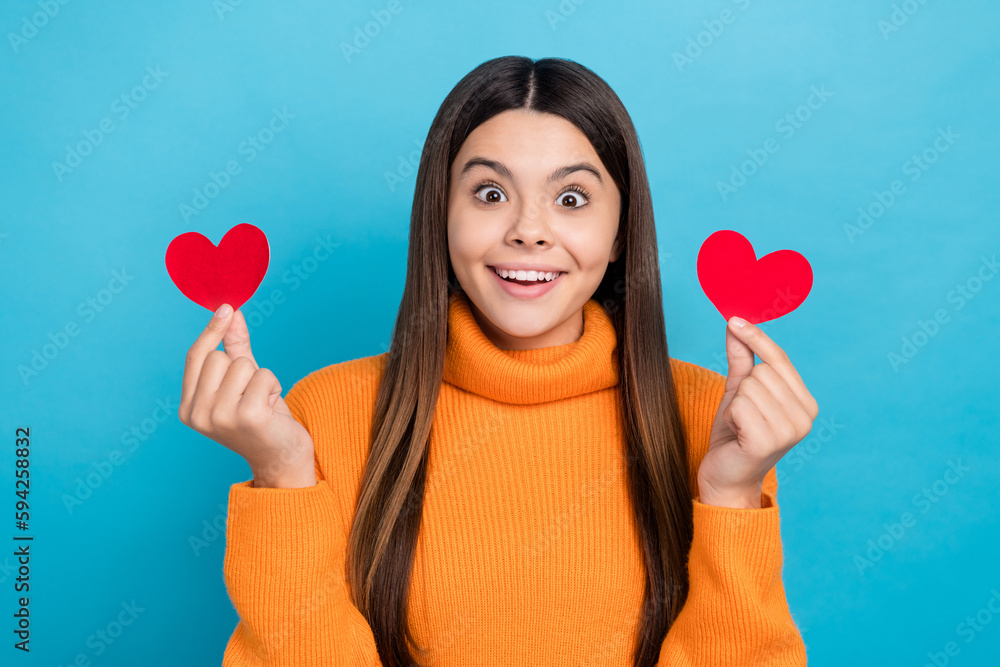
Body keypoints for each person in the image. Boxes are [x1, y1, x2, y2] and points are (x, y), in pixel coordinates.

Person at [179, 55, 817, 666]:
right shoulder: (325, 413)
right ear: (442, 215)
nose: (528, 230)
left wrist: (731, 494)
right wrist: (280, 474)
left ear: (622, 231)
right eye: (489, 193)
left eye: (571, 199)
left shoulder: (709, 418)